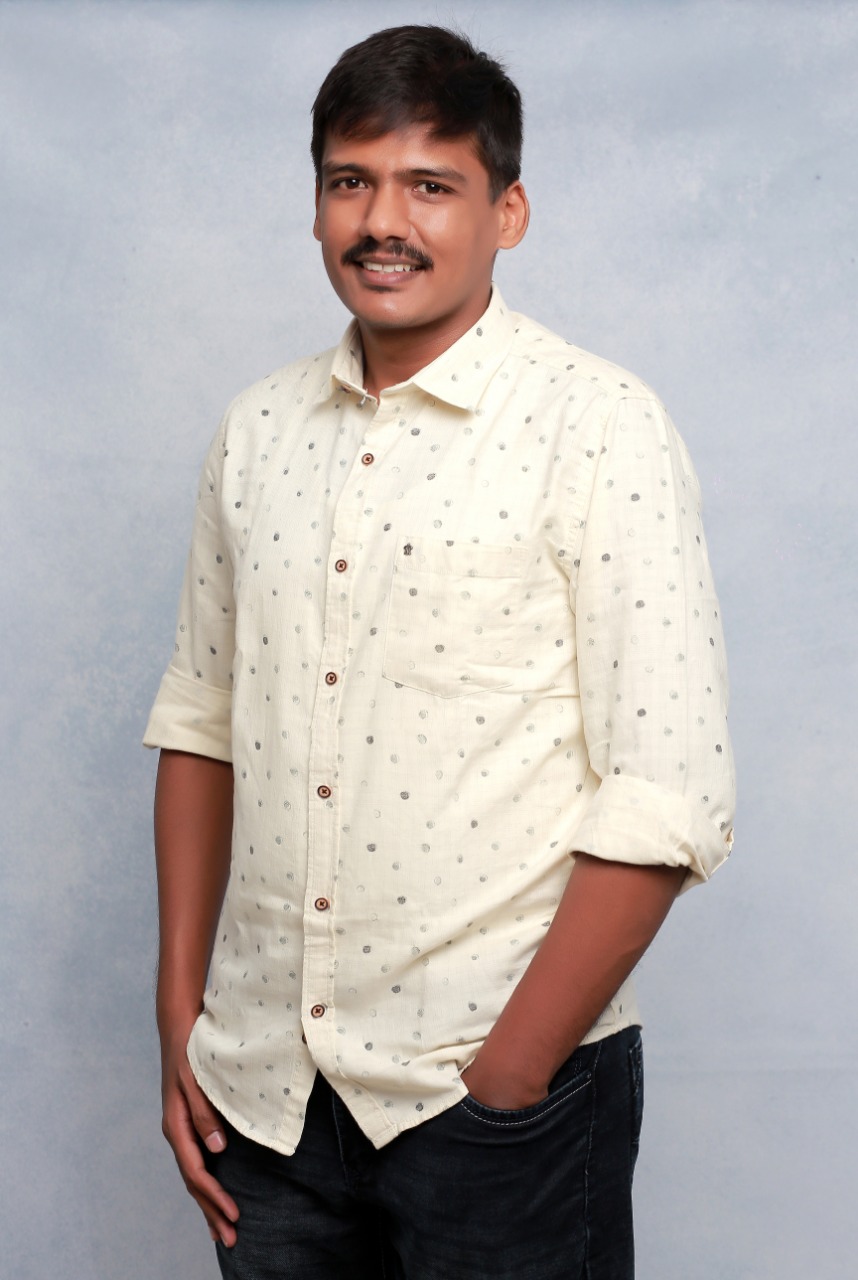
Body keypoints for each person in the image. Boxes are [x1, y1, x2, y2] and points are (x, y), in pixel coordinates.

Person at [145, 24, 735, 1280]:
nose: (382, 222)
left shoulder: (600, 427)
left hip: (495, 1098)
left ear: (506, 211)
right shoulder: (255, 431)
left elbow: (668, 791)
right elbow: (200, 720)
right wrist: (179, 1015)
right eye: (350, 181)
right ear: (315, 204)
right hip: (263, 1095)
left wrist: (509, 1076)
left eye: (430, 185)